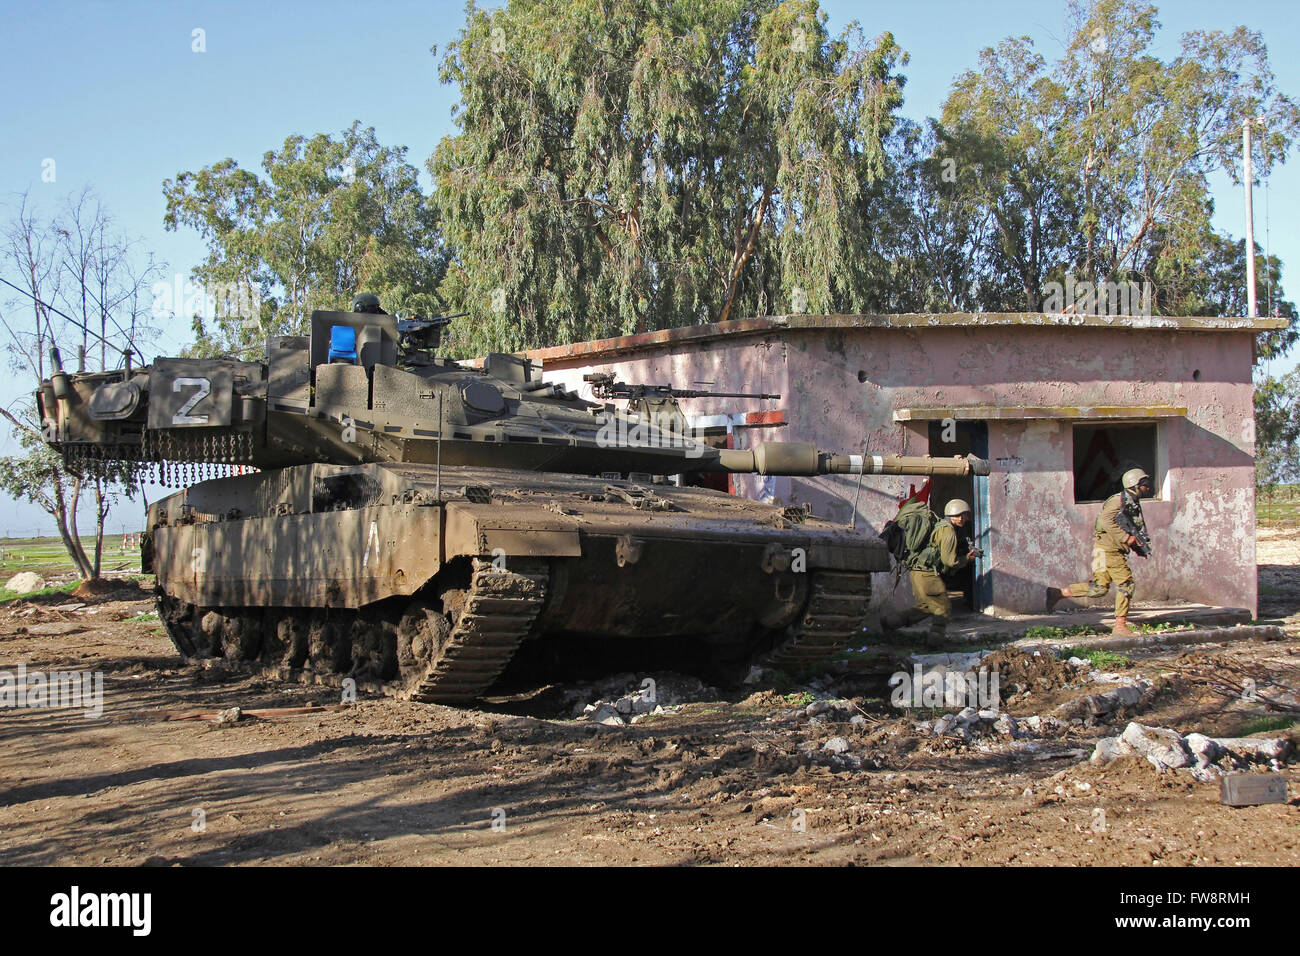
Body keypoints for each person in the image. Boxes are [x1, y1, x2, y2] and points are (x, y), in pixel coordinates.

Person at [1047, 468, 1153, 636]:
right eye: (1145, 485)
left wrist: (1136, 545)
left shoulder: (1131, 502)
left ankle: (1059, 593)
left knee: (1099, 588)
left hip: (1102, 549)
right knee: (1127, 585)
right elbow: (1105, 521)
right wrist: (1127, 539)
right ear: (1135, 485)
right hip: (1110, 550)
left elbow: (1126, 526)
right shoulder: (1118, 501)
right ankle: (1120, 625)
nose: (1148, 488)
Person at [902, 498, 981, 645]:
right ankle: (934, 643)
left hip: (919, 571)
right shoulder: (948, 531)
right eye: (965, 515)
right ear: (957, 515)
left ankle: (889, 623)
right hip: (926, 573)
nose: (967, 519)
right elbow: (949, 561)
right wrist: (967, 559)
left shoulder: (941, 526)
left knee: (926, 607)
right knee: (942, 607)